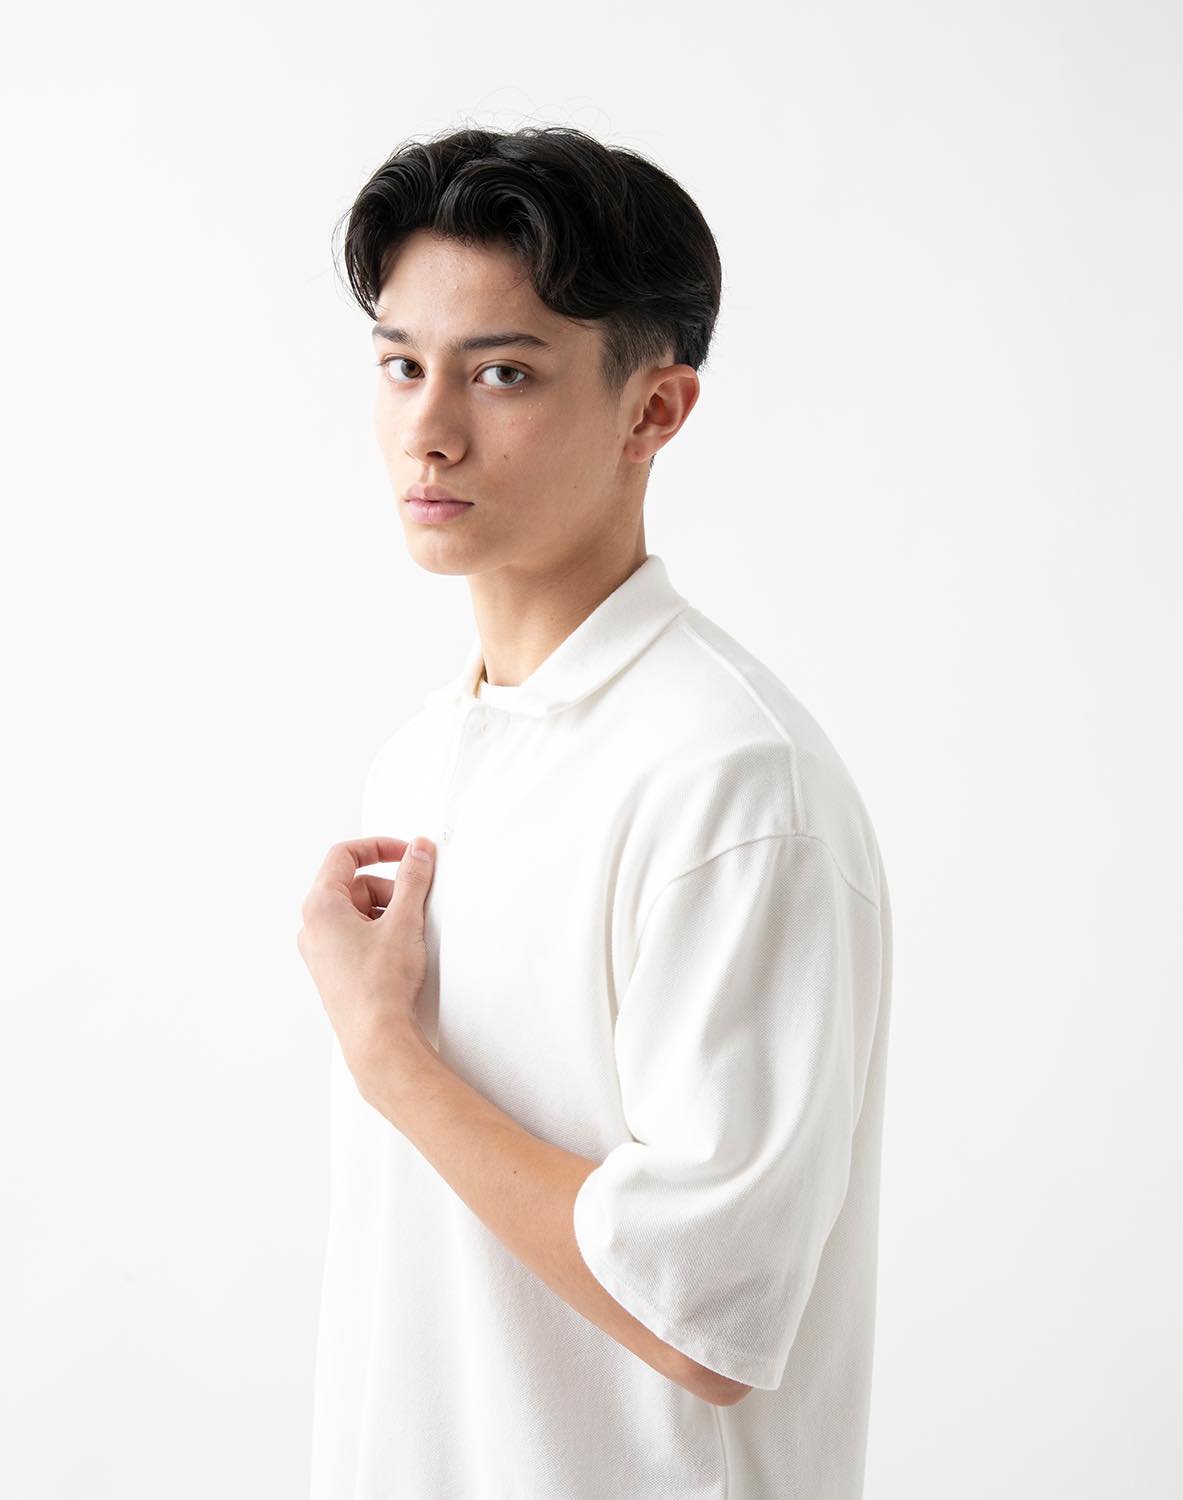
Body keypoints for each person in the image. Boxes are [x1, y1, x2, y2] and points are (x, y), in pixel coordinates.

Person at [298, 123, 893, 1500]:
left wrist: (390, 1056)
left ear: (655, 411)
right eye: (402, 365)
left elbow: (708, 1315)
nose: (430, 429)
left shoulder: (732, 785)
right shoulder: (420, 761)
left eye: (502, 372)